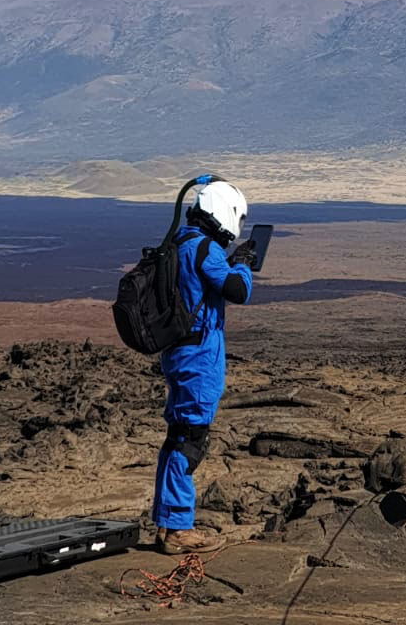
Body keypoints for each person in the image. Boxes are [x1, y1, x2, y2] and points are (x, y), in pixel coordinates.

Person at [152, 181, 255, 554]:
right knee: (191, 438)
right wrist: (243, 265)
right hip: (198, 357)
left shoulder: (180, 242)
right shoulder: (204, 248)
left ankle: (168, 523)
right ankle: (178, 529)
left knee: (179, 436)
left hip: (181, 351)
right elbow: (237, 290)